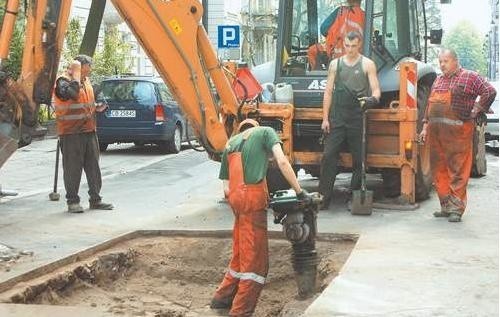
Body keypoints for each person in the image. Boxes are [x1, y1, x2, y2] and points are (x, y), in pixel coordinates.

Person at [210, 118, 309, 316]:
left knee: (239, 255)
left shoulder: (231, 144)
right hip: (252, 199)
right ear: (256, 128)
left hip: (237, 202)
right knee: (255, 264)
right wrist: (299, 192)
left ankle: (222, 299)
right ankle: (240, 311)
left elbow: (226, 189)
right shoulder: (266, 132)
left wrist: (242, 204)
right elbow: (281, 160)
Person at [419, 49, 496, 222]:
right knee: (439, 169)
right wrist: (425, 126)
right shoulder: (438, 80)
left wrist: (478, 109)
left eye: (446, 61)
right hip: (436, 134)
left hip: (459, 133)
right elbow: (428, 106)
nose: (442, 64)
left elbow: (489, 91)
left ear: (455, 61)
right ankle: (445, 206)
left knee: (458, 170)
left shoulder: (469, 77)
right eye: (440, 61)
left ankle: (457, 209)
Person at [319, 31, 381, 210]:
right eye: (347, 46)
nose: (350, 49)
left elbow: (376, 90)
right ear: (343, 45)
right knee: (328, 156)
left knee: (359, 159)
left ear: (359, 45)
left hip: (357, 116)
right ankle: (323, 198)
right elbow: (328, 92)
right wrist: (325, 119)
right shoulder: (335, 65)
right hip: (337, 117)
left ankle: (353, 196)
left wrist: (372, 99)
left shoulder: (367, 64)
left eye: (354, 46)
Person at [53, 55, 114, 213]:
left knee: (93, 167)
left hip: (89, 131)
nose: (91, 69)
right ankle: (72, 202)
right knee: (73, 168)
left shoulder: (86, 81)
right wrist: (76, 76)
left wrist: (99, 105)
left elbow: (90, 102)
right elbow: (72, 94)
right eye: (88, 66)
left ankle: (95, 199)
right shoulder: (63, 81)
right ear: (80, 66)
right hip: (71, 132)